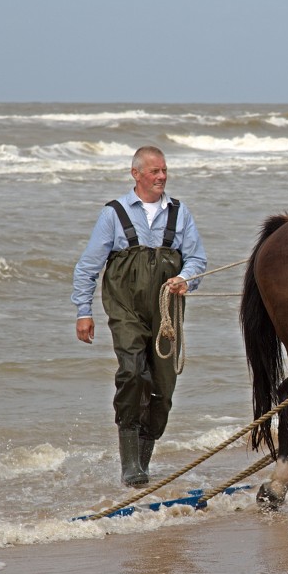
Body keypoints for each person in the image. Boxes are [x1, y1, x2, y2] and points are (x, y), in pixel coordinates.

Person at [72, 146, 207, 487]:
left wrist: (185, 278)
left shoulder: (180, 213)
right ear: (136, 174)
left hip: (167, 311)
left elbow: (197, 259)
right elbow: (89, 266)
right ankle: (130, 465)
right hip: (125, 308)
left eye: (164, 170)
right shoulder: (113, 214)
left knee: (163, 389)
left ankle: (142, 465)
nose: (161, 176)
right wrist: (83, 312)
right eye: (154, 171)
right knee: (133, 372)